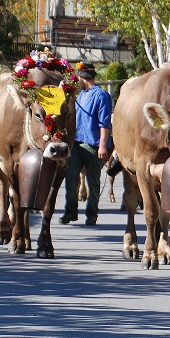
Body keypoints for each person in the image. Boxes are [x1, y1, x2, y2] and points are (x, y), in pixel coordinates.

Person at [60, 61, 112, 226]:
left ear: (83, 78)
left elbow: (105, 123)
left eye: (78, 78)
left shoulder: (101, 95)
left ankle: (91, 214)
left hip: (93, 145)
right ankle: (71, 212)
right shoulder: (81, 95)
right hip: (77, 144)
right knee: (71, 177)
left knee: (93, 182)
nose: (76, 81)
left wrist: (103, 145)